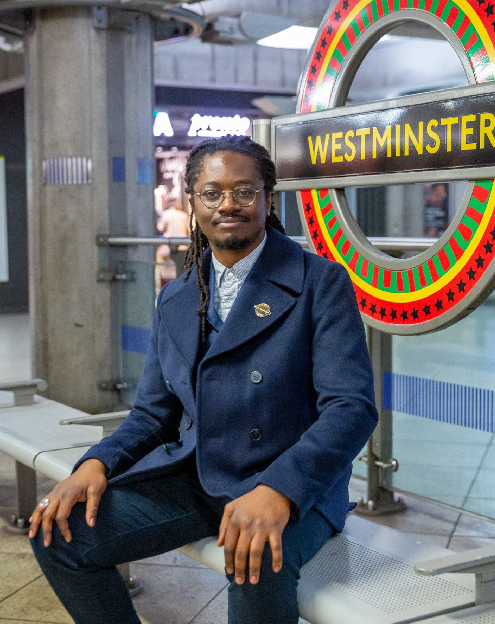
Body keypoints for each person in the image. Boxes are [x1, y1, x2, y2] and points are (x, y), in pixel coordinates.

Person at [29, 135, 378, 624]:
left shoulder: (319, 282)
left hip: (291, 484)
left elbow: (351, 407)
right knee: (59, 532)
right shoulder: (177, 297)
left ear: (269, 198)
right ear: (191, 202)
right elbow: (153, 412)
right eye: (212, 193)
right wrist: (96, 465)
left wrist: (278, 489)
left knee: (257, 560)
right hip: (200, 476)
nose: (228, 204)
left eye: (245, 191)